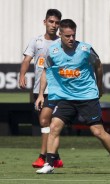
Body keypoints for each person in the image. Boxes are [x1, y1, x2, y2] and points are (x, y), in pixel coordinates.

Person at [34, 19, 110, 174]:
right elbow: (47, 71)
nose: (71, 39)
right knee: (54, 127)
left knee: (98, 132)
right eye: (67, 36)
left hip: (87, 97)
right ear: (60, 34)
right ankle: (50, 163)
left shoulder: (85, 49)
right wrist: (41, 94)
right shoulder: (52, 51)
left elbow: (98, 65)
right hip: (66, 97)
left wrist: (99, 87)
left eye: (73, 35)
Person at [18, 9, 64, 168]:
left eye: (57, 23)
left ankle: (43, 157)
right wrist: (22, 75)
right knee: (45, 123)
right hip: (39, 89)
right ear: (44, 22)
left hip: (56, 90)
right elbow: (27, 59)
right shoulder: (36, 41)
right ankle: (55, 157)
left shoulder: (61, 42)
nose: (54, 25)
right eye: (51, 22)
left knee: (46, 121)